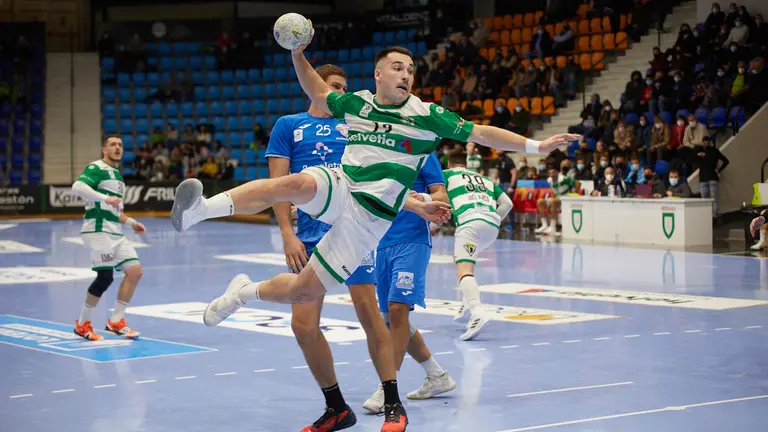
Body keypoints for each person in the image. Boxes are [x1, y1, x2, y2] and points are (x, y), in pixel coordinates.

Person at [170, 34, 576, 431]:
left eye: (411, 70)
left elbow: (482, 133)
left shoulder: (426, 116)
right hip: (342, 186)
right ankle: (201, 209)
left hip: (368, 221)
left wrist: (537, 147)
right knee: (293, 184)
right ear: (378, 74)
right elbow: (317, 89)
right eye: (397, 68)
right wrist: (297, 54)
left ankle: (243, 291)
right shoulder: (357, 105)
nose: (406, 75)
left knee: (303, 292)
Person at [265, 64, 380, 432]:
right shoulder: (289, 125)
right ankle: (337, 407)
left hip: (354, 230)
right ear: (315, 88)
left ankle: (391, 398)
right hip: (310, 237)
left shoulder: (356, 126)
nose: (339, 93)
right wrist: (287, 231)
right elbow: (278, 184)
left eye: (344, 88)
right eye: (333, 86)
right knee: (302, 326)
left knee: (368, 312)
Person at [362, 152, 456, 414]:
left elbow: (442, 197)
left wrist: (422, 199)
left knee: (397, 309)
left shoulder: (424, 154)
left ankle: (387, 388)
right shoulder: (375, 154)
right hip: (381, 241)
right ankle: (437, 376)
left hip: (413, 239)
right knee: (390, 318)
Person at [70, 135, 146, 341]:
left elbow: (115, 210)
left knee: (135, 272)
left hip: (115, 232)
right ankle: (82, 324)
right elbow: (77, 187)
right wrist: (104, 197)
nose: (117, 148)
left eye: (120, 145)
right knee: (105, 277)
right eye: (113, 145)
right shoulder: (97, 168)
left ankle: (116, 321)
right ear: (104, 149)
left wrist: (131, 223)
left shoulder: (118, 177)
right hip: (98, 230)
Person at [442, 151, 513, 340]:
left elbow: (438, 196)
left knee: (463, 270)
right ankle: (467, 301)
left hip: (470, 223)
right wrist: (494, 219)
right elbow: (507, 203)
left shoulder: (447, 175)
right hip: (491, 227)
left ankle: (477, 313)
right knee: (461, 258)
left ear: (450, 164)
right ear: (466, 164)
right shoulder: (484, 179)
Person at [536, 164, 578, 235]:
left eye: (553, 172)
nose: (551, 174)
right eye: (550, 173)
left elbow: (578, 183)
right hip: (558, 199)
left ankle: (553, 226)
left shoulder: (564, 179)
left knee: (553, 201)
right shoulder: (549, 180)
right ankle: (544, 225)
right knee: (540, 201)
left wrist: (574, 194)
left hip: (566, 198)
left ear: (557, 172)